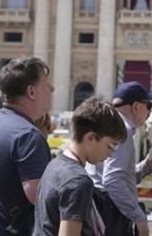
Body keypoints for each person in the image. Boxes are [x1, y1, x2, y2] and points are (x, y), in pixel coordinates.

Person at [0, 58, 54, 235]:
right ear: (32, 91)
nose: (52, 89)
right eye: (46, 84)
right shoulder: (27, 136)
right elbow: (40, 196)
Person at [34, 97, 127, 236]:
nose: (111, 154)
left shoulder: (54, 165)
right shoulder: (78, 181)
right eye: (110, 146)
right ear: (90, 138)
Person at [86, 82, 152, 236]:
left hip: (100, 206)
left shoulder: (107, 125)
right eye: (148, 106)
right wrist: (139, 218)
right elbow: (112, 181)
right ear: (136, 106)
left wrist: (147, 166)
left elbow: (116, 177)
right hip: (111, 211)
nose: (149, 112)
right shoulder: (123, 130)